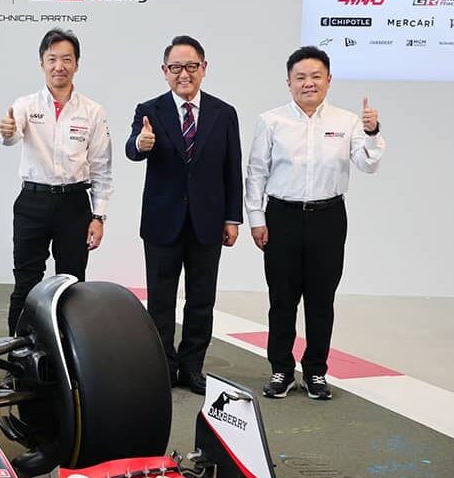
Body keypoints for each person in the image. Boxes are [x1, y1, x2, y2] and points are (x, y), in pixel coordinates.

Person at [245, 45, 385, 400]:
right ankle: (280, 370)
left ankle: (316, 371)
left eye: (316, 76)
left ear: (329, 80)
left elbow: (368, 164)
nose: (309, 83)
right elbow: (256, 173)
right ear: (289, 82)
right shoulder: (271, 120)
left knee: (321, 300)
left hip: (328, 217)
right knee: (282, 299)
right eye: (301, 77)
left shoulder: (347, 121)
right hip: (281, 217)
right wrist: (256, 219)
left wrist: (372, 132)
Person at [125, 35, 242, 395]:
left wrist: (232, 218)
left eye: (191, 67)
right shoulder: (150, 110)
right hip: (163, 223)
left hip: (207, 223)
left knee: (201, 300)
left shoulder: (224, 113)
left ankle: (192, 368)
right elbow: (133, 148)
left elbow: (232, 168)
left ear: (204, 68)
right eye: (175, 68)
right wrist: (140, 144)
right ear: (165, 71)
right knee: (160, 301)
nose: (184, 74)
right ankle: (164, 366)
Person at [0, 28, 113, 335]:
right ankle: (19, 359)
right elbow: (8, 134)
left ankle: (71, 362)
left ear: (77, 64)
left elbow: (102, 168)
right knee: (26, 282)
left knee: (72, 286)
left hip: (75, 205)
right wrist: (6, 131)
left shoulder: (93, 111)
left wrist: (98, 217)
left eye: (66, 59)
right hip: (33, 203)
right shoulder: (25, 105)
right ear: (41, 63)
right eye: (52, 59)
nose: (59, 66)